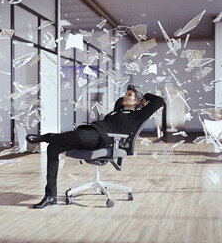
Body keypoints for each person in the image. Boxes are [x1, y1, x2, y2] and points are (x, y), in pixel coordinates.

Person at [26, 84, 166, 209]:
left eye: (129, 95)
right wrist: (132, 95)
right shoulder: (117, 110)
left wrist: (144, 98)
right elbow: (119, 101)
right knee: (53, 148)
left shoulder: (137, 115)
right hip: (93, 131)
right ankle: (51, 196)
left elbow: (159, 101)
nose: (125, 96)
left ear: (137, 101)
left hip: (103, 139)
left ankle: (44, 137)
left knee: (80, 136)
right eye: (126, 93)